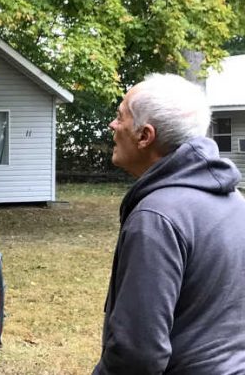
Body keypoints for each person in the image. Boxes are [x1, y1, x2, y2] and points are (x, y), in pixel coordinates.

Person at [94, 73, 245, 375]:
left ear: (144, 136)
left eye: (120, 116)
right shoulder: (235, 201)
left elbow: (136, 356)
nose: (113, 125)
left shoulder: (156, 218)